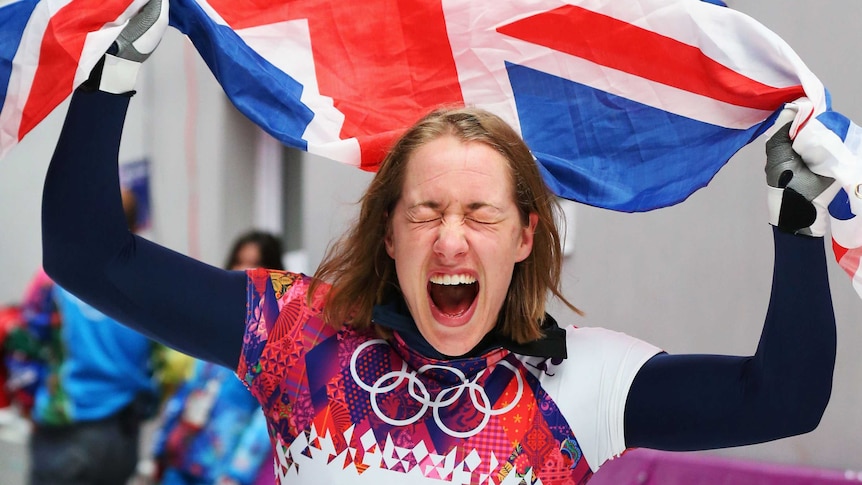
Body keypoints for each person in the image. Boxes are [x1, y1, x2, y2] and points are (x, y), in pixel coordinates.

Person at [39, 1, 836, 483]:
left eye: (481, 214)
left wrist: (797, 226)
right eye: (425, 211)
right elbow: (88, 254)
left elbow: (783, 397)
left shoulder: (581, 381)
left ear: (526, 234)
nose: (451, 238)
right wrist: (110, 76)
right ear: (389, 230)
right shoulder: (296, 333)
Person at [11, 188, 166, 485]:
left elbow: (23, 345)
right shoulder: (151, 284)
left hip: (65, 429)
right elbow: (171, 363)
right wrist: (147, 405)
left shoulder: (54, 276)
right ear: (134, 225)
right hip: (122, 435)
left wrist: (30, 406)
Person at [148, 230, 282, 485]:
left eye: (255, 263)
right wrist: (160, 448)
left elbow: (269, 415)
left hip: (221, 472)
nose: (244, 269)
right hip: (180, 458)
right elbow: (187, 389)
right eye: (239, 260)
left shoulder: (273, 340)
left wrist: (237, 474)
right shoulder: (214, 324)